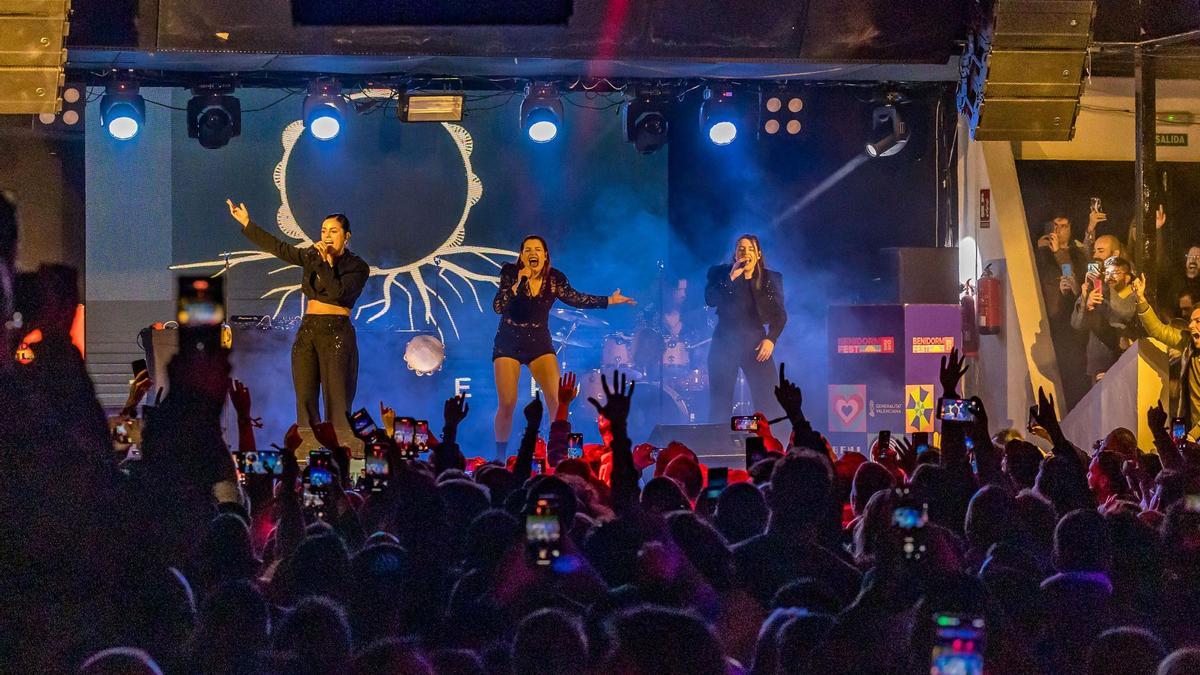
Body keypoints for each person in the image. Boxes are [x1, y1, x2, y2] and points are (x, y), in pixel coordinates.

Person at [227, 200, 370, 438]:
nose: (326, 236)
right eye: (323, 231)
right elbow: (280, 248)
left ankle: (340, 452)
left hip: (337, 332)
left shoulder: (357, 266)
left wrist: (324, 263)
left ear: (347, 236)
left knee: (337, 399)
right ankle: (307, 449)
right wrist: (247, 224)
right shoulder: (312, 257)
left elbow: (337, 292)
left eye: (333, 231)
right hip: (308, 330)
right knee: (305, 396)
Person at [491, 235, 635, 457]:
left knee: (558, 400)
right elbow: (498, 306)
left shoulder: (555, 279)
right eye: (527, 250)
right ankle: (500, 456)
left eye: (537, 249)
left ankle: (558, 454)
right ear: (521, 256)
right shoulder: (511, 273)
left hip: (538, 340)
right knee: (508, 402)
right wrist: (519, 283)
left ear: (545, 255)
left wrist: (610, 300)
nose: (532, 253)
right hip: (509, 339)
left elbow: (576, 298)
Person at [705, 235, 787, 421]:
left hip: (756, 343)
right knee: (720, 402)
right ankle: (719, 445)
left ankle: (769, 445)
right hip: (724, 342)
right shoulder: (719, 273)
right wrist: (731, 277)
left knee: (769, 399)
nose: (745, 253)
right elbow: (710, 300)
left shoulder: (770, 278)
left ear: (758, 255)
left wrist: (771, 339)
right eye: (741, 249)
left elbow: (779, 314)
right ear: (735, 254)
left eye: (750, 249)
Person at [1132, 273, 1200, 439]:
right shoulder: (1187, 342)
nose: (1191, 325)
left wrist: (1193, 436)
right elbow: (1158, 330)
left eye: (1198, 321)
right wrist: (1140, 299)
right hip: (1188, 423)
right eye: (1191, 320)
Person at [1071, 256, 1139, 382]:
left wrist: (1104, 285)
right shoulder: (1094, 292)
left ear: (1128, 277)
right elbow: (1076, 324)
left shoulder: (1135, 295)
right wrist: (1086, 304)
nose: (1109, 276)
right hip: (1099, 364)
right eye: (1106, 273)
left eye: (1115, 272)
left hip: (1123, 359)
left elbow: (1124, 313)